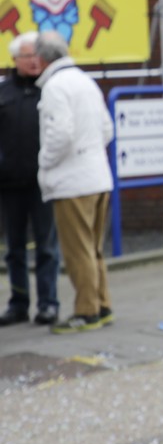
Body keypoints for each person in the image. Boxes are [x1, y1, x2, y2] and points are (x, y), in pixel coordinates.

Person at [32, 32, 116, 335]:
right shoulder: (86, 81)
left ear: (42, 59)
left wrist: (44, 161)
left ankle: (86, 312)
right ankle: (102, 305)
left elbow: (60, 134)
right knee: (94, 249)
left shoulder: (55, 87)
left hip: (73, 182)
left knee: (77, 251)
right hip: (98, 176)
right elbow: (106, 129)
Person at [0, 32, 61, 327]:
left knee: (46, 247)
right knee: (14, 249)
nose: (34, 61)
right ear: (15, 59)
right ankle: (18, 303)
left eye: (38, 55)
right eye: (28, 56)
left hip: (43, 184)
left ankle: (48, 303)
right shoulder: (3, 92)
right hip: (9, 184)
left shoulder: (51, 89)